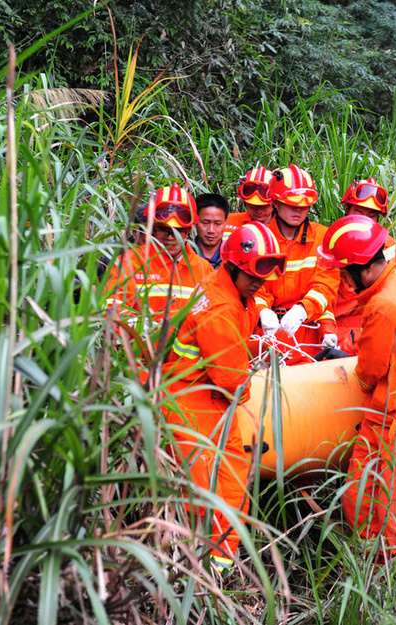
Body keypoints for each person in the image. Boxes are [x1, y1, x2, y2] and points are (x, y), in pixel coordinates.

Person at [317, 214, 396, 571]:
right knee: (360, 498)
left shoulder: (384, 305)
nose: (342, 280)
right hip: (389, 413)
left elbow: (370, 372)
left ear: (364, 268)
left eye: (344, 273)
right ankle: (372, 574)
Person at [163, 221, 288, 571]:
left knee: (229, 483)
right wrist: (250, 376)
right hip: (193, 403)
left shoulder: (226, 291)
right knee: (218, 492)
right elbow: (232, 380)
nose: (259, 284)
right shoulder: (220, 307)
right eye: (252, 277)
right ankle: (206, 572)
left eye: (263, 279)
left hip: (203, 400)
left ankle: (210, 566)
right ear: (232, 267)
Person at [255, 165, 339, 360]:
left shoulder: (322, 237)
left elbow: (326, 285)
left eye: (304, 205)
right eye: (292, 203)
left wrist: (302, 310)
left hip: (309, 331)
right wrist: (262, 312)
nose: (298, 210)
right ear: (275, 202)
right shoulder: (261, 239)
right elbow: (253, 287)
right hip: (268, 331)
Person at [104, 184, 213, 320]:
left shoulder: (203, 270)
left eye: (178, 231)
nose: (170, 237)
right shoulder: (127, 263)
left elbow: (210, 318)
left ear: (189, 230)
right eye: (163, 229)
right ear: (152, 229)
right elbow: (112, 309)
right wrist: (147, 332)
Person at [323, 178, 396, 354]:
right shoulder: (334, 243)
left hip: (374, 326)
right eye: (358, 211)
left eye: (371, 215)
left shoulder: (389, 245)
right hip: (336, 329)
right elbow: (323, 293)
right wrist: (327, 330)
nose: (363, 219)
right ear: (347, 209)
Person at [225, 166, 275, 240]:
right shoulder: (227, 221)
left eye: (263, 206)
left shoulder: (284, 228)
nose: (258, 211)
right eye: (253, 206)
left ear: (274, 203)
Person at [195, 193, 230, 268]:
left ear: (225, 222)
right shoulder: (182, 254)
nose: (211, 230)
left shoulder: (233, 259)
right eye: (205, 223)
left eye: (217, 224)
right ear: (195, 221)